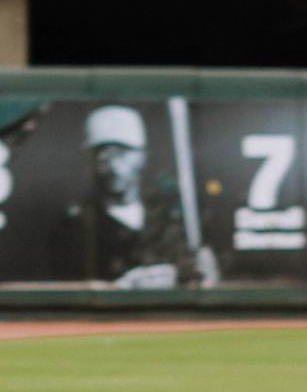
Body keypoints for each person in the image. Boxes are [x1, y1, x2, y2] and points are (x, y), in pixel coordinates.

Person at [50, 105, 218, 287]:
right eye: (103, 156)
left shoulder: (175, 217)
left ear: (142, 156)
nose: (114, 165)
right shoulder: (77, 227)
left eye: (123, 153)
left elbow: (205, 276)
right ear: (89, 161)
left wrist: (207, 274)